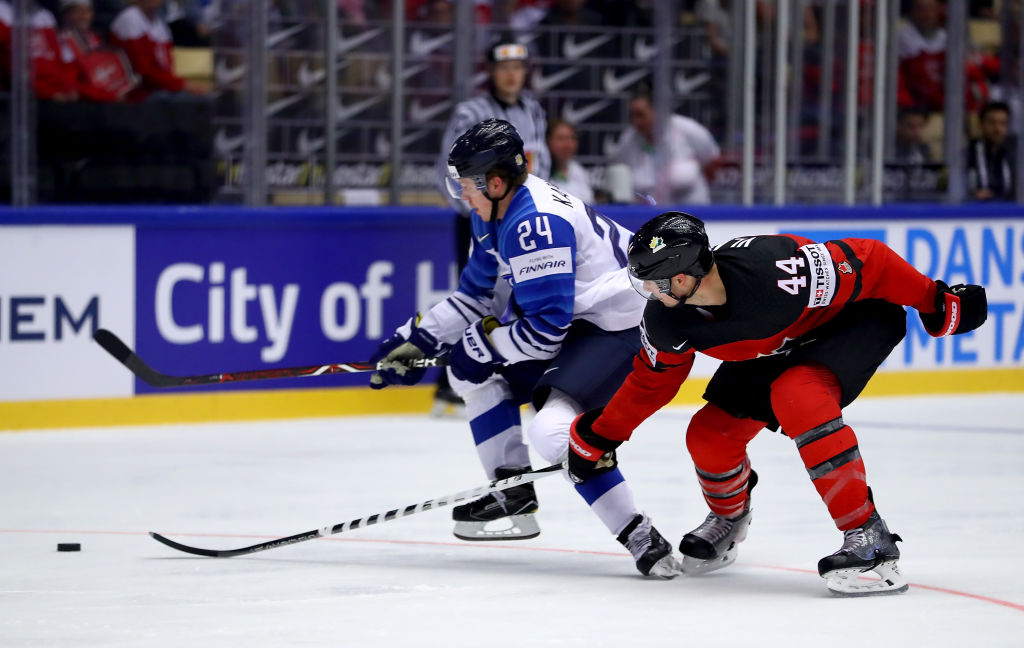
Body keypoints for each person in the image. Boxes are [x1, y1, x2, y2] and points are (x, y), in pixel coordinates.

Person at [565, 211, 988, 596]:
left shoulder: (775, 269)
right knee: (709, 435)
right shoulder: (665, 318)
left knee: (797, 394)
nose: (649, 292)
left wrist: (936, 301)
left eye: (653, 281)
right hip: (777, 344)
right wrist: (601, 435)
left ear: (682, 276)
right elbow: (653, 380)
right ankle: (729, 518)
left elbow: (872, 261)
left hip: (854, 319)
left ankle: (869, 535)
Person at [372, 119, 681, 579]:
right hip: (582, 320)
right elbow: (477, 295)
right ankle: (512, 495)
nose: (462, 194)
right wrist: (417, 337)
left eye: (466, 184)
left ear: (495, 182)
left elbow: (544, 333)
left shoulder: (534, 225)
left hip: (624, 325)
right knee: (468, 375)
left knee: (552, 431)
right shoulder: (493, 209)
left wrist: (480, 345)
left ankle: (640, 535)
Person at [433, 38, 550, 414]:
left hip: (524, 219)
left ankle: (519, 379)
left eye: (518, 68)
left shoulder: (534, 109)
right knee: (479, 297)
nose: (512, 75)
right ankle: (453, 380)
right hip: (480, 221)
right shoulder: (472, 112)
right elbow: (448, 168)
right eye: (504, 68)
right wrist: (478, 214)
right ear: (492, 73)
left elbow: (541, 165)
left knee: (526, 295)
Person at [613, 89, 720, 205]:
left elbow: (712, 161)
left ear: (657, 112)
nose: (636, 121)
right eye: (632, 115)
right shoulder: (628, 140)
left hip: (694, 213)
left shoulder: (688, 129)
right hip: (651, 217)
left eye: (640, 115)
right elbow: (620, 173)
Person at [967, 101, 1016, 201]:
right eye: (992, 123)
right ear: (981, 124)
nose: (997, 129)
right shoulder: (968, 154)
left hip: (1011, 212)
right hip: (977, 211)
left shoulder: (1015, 154)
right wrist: (971, 195)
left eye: (1003, 123)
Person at [546, 118, 593, 204]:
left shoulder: (578, 170)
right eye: (561, 138)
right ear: (548, 141)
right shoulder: (540, 173)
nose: (568, 144)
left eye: (572, 138)